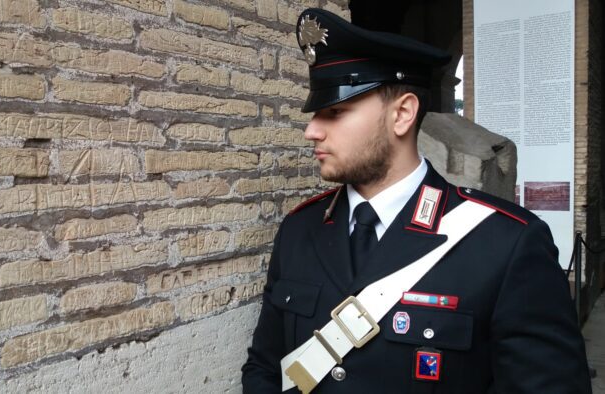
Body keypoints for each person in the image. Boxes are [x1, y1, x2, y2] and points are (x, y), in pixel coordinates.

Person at [241, 8, 592, 394]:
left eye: (334, 112)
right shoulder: (299, 230)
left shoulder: (506, 243)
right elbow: (265, 367)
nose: (311, 130)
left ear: (403, 114)